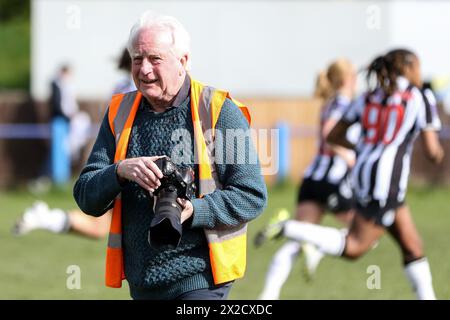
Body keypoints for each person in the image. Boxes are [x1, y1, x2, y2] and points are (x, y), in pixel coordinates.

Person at [73, 11, 267, 300]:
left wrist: (193, 210)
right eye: (137, 59)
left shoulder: (219, 111)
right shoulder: (118, 113)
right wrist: (119, 171)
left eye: (155, 59)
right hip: (142, 284)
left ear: (183, 62)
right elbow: (85, 195)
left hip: (200, 279)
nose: (145, 69)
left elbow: (251, 195)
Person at [257, 49, 444, 300]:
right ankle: (292, 229)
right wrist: (436, 154)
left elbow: (334, 135)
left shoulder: (367, 98)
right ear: (409, 69)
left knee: (412, 247)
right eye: (418, 67)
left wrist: (366, 149)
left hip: (361, 176)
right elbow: (432, 151)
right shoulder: (420, 96)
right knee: (355, 246)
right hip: (381, 182)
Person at [255, 59, 359, 299]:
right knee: (364, 234)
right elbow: (329, 135)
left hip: (313, 179)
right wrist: (350, 157)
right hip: (330, 183)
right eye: (354, 76)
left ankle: (267, 296)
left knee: (299, 238)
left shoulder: (331, 102)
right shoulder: (343, 103)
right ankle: (301, 238)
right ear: (347, 79)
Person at [12, 49, 138, 240]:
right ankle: (44, 217)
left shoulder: (120, 86)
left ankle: (45, 217)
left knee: (100, 228)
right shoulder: (130, 89)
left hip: (119, 159)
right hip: (124, 162)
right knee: (102, 227)